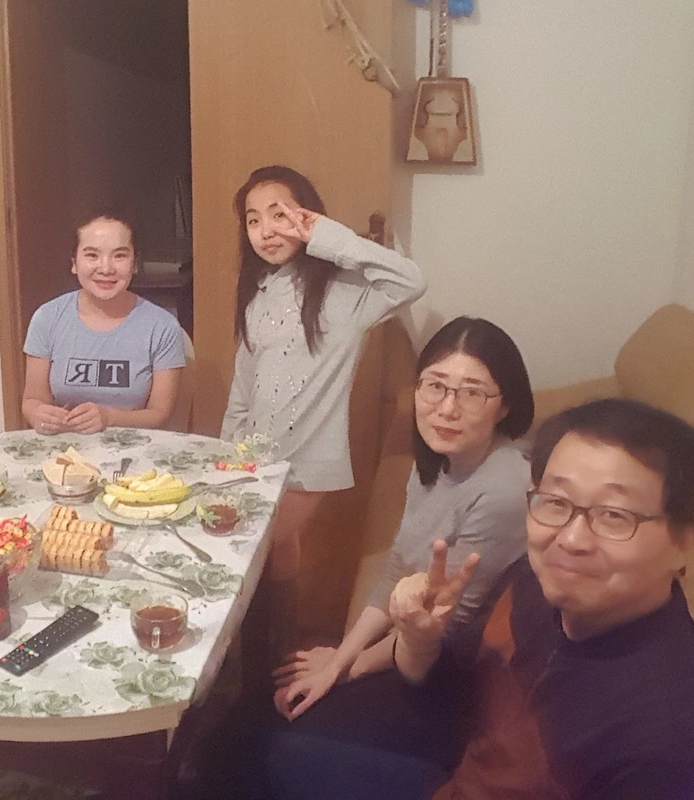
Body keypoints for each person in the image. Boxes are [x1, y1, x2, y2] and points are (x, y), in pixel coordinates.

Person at [393, 398, 694, 799]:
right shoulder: (533, 583)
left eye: (614, 515)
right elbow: (457, 694)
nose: (570, 539)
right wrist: (418, 639)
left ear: (683, 543)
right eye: (555, 502)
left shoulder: (663, 742)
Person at [272, 317, 534, 720]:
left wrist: (345, 671)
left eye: (472, 393)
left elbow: (446, 624)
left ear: (505, 406)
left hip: (452, 671)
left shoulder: (502, 491)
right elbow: (398, 567)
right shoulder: (439, 458)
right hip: (415, 639)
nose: (447, 408)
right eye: (435, 385)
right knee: (270, 706)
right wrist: (341, 658)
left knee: (281, 725)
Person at [222, 165, 426, 661]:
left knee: (256, 547)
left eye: (279, 214)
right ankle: (277, 652)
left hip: (308, 457)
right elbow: (243, 387)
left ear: (307, 214)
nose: (266, 231)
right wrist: (226, 454)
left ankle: (258, 659)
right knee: (277, 551)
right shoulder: (258, 293)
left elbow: (412, 280)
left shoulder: (346, 293)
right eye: (253, 220)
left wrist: (326, 237)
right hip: (254, 452)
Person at [22, 210, 186, 435]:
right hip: (65, 448)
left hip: (134, 448)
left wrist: (109, 417)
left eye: (119, 256)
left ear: (135, 263)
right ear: (74, 262)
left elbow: (160, 413)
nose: (106, 268)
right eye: (92, 255)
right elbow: (32, 399)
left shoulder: (162, 326)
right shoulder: (47, 318)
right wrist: (38, 414)